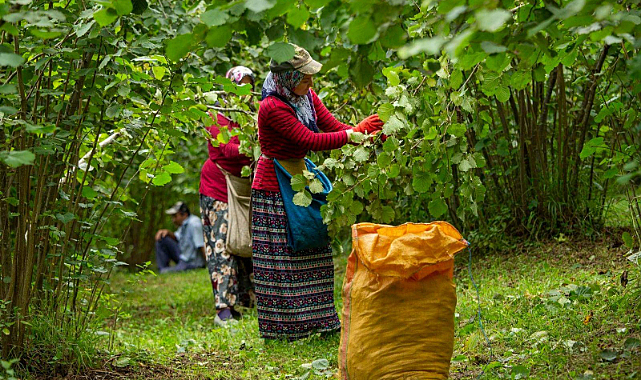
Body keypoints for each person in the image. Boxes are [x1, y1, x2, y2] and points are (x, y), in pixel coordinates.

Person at [251, 45, 384, 340]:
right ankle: (287, 329)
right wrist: (351, 135)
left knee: (313, 244)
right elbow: (309, 139)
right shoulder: (271, 107)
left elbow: (333, 127)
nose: (311, 82)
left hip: (301, 178)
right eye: (306, 77)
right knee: (283, 257)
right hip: (275, 185)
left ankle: (320, 322)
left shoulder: (306, 97)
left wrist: (364, 134)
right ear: (288, 77)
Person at [199, 66, 256, 326]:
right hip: (217, 189)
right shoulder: (217, 117)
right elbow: (228, 150)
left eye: (248, 86)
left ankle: (246, 301)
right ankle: (223, 310)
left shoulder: (251, 116)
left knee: (245, 243)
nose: (244, 92)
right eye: (239, 87)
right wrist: (255, 144)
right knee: (222, 246)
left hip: (243, 190)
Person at [155, 201, 206, 273]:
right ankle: (162, 269)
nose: (173, 220)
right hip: (183, 257)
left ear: (184, 214)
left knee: (165, 272)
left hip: (192, 263)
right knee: (162, 239)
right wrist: (167, 233)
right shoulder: (184, 224)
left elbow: (201, 245)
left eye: (175, 216)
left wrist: (210, 266)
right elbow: (177, 237)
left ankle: (164, 271)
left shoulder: (194, 224)